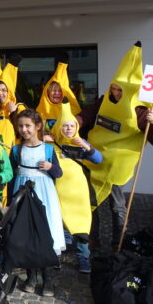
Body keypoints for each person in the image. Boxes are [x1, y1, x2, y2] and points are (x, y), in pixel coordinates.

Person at [77, 42, 153, 249]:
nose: (116, 93)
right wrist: (72, 123)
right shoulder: (103, 102)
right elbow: (86, 116)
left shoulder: (141, 111)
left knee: (117, 206)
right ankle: (94, 240)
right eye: (114, 88)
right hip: (95, 160)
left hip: (118, 167)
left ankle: (119, 243)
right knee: (93, 202)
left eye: (120, 90)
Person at [11, 109, 65, 296]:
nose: (24, 130)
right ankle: (31, 276)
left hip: (43, 194)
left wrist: (51, 167)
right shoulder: (17, 150)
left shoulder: (48, 149)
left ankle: (48, 279)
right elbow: (12, 174)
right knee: (26, 233)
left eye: (28, 126)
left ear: (38, 126)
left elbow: (59, 173)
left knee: (44, 233)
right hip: (23, 193)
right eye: (21, 126)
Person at [48, 99, 102, 274]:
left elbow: (98, 160)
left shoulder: (81, 145)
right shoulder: (51, 145)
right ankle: (55, 254)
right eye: (65, 126)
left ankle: (83, 257)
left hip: (78, 193)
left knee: (81, 224)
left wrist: (88, 147)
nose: (69, 129)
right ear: (58, 128)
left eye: (72, 126)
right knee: (57, 222)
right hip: (57, 191)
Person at [36, 56, 81, 133]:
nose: (57, 93)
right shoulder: (40, 111)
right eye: (53, 90)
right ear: (47, 93)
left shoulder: (73, 111)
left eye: (60, 90)